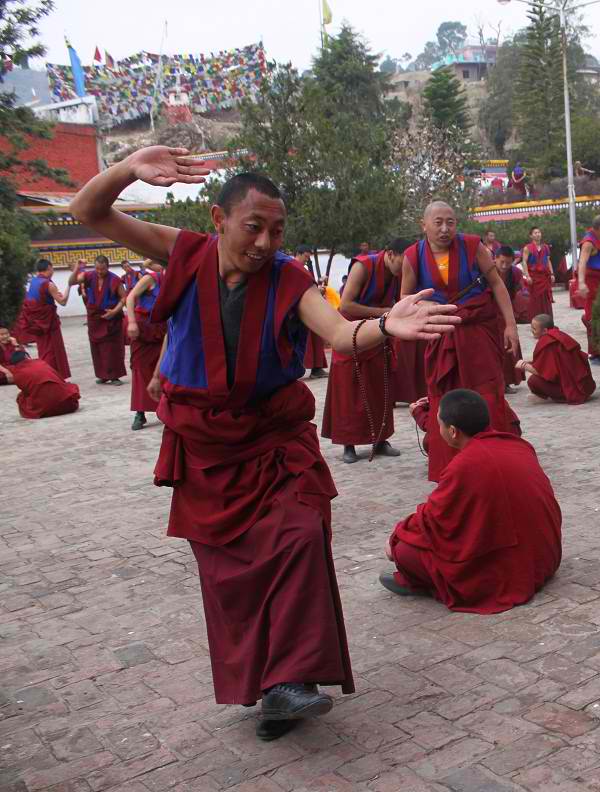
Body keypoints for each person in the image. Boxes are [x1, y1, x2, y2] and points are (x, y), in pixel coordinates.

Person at [68, 146, 461, 739]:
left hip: (271, 438)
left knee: (300, 534)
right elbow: (87, 210)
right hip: (205, 445)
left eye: (277, 230)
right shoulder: (183, 252)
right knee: (231, 573)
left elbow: (337, 331)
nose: (265, 242)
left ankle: (292, 680)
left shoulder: (289, 277)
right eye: (253, 227)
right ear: (217, 219)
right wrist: (128, 169)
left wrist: (386, 325)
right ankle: (265, 682)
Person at [381, 389, 561, 611]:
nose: (438, 430)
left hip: (513, 570)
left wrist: (396, 537)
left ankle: (428, 583)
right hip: (545, 556)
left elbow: (435, 521)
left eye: (439, 424)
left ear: (453, 431)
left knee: (404, 552)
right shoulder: (518, 445)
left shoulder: (464, 465)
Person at [401, 202, 522, 482]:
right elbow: (404, 301)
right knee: (443, 397)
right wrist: (424, 309)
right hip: (442, 335)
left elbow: (496, 284)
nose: (445, 229)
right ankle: (451, 468)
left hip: (477, 331)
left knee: (488, 394)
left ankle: (495, 461)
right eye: (438, 223)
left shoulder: (471, 245)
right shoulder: (412, 256)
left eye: (451, 222)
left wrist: (511, 326)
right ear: (424, 224)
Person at [322, 240, 406, 464]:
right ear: (389, 254)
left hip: (378, 334)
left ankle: (380, 440)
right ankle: (348, 444)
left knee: (380, 387)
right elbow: (347, 305)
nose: (404, 269)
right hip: (351, 334)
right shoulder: (363, 266)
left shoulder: (398, 273)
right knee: (349, 391)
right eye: (401, 262)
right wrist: (385, 313)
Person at [69, 254, 127, 384]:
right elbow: (71, 282)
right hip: (95, 318)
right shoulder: (89, 275)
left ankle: (115, 376)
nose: (100, 272)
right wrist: (77, 267)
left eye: (103, 269)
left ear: (108, 267)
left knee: (112, 348)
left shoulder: (115, 279)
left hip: (111, 319)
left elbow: (124, 297)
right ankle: (103, 375)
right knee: (97, 348)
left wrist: (114, 311)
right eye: (97, 269)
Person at [0, 326, 81, 419]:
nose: (4, 336)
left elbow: (26, 392)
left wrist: (16, 344)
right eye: (1, 334)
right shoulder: (41, 362)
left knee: (21, 398)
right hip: (69, 405)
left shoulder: (18, 373)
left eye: (6, 334)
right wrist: (6, 371)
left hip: (46, 408)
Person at [123, 259, 166, 430]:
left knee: (163, 368)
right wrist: (132, 322)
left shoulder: (178, 281)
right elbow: (131, 297)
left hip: (162, 330)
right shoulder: (152, 278)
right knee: (140, 368)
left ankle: (164, 408)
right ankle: (140, 413)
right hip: (142, 329)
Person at [13, 259, 71, 379]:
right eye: (52, 268)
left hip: (37, 323)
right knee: (53, 351)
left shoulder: (34, 281)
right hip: (48, 323)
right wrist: (69, 286)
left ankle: (47, 374)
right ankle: (53, 376)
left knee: (44, 350)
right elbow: (63, 302)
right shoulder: (48, 284)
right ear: (49, 268)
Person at [518, 314, 596, 405]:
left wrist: (524, 366)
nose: (532, 331)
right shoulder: (559, 335)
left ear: (545, 331)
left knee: (533, 381)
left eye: (534, 329)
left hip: (570, 390)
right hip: (585, 388)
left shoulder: (547, 342)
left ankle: (556, 396)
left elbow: (547, 373)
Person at [576, 215, 600, 363]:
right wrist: (581, 283)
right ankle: (595, 353)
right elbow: (582, 263)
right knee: (593, 317)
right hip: (593, 284)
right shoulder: (588, 242)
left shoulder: (599, 239)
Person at [494, 246, 526, 389]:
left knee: (508, 345)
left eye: (508, 263)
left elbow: (517, 293)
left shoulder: (516, 273)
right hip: (490, 314)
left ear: (513, 261)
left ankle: (507, 381)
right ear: (495, 259)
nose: (505, 266)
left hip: (506, 314)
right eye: (501, 262)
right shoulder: (486, 272)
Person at [294, 246, 327, 378]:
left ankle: (316, 368)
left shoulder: (303, 269)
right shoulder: (291, 268)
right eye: (306, 257)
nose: (307, 260)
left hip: (308, 308)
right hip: (297, 309)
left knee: (315, 337)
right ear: (298, 254)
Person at [520, 226, 554, 320]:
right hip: (534, 278)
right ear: (531, 236)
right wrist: (527, 276)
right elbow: (524, 262)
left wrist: (551, 274)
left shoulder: (545, 247)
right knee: (535, 299)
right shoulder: (527, 248)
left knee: (546, 299)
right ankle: (536, 319)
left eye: (539, 232)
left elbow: (548, 261)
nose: (538, 234)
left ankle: (547, 319)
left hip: (544, 277)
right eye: (535, 233)